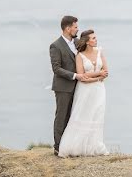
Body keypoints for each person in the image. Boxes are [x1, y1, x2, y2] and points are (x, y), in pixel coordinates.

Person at [57, 28, 109, 157]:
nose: (96, 40)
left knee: (96, 116)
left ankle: (95, 146)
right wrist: (98, 76)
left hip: (99, 91)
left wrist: (95, 76)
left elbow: (106, 71)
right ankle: (76, 147)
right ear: (87, 42)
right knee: (82, 115)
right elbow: (82, 76)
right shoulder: (79, 56)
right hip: (85, 91)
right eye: (93, 38)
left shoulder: (100, 51)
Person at [49, 15, 96, 156]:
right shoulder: (55, 46)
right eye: (75, 27)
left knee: (74, 116)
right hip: (63, 87)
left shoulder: (77, 42)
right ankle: (58, 147)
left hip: (79, 87)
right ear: (68, 28)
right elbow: (56, 69)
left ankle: (70, 145)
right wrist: (76, 75)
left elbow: (89, 52)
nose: (77, 29)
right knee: (62, 116)